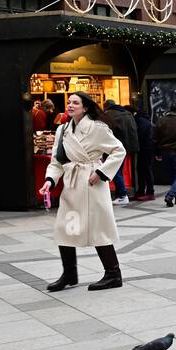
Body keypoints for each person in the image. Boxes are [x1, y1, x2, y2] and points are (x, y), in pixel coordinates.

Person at [38, 92, 126, 292]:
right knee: (65, 228)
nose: (70, 105)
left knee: (98, 228)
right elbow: (57, 160)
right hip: (72, 183)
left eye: (75, 103)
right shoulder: (63, 129)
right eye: (68, 102)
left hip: (92, 183)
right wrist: (50, 181)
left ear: (85, 107)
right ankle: (69, 274)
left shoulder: (97, 128)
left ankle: (113, 274)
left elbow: (118, 150)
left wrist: (102, 172)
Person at [102, 100, 138, 205]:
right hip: (126, 147)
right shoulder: (127, 113)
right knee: (119, 171)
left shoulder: (108, 115)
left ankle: (122, 195)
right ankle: (119, 195)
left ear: (106, 107)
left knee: (115, 171)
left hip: (114, 147)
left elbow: (106, 133)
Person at [131, 104, 155, 201]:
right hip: (147, 148)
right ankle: (142, 191)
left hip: (144, 148)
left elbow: (139, 136)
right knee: (144, 169)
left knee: (144, 170)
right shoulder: (145, 121)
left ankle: (149, 192)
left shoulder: (140, 121)